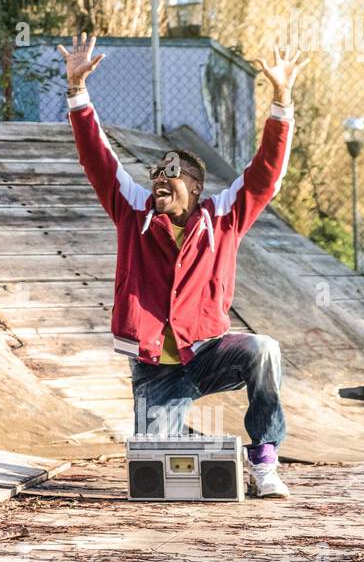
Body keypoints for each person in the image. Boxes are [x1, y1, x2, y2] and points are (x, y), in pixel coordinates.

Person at [59, 33, 309, 498]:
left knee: (264, 350)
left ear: (194, 187)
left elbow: (266, 172)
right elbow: (98, 159)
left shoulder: (223, 216)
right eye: (154, 174)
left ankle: (264, 458)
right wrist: (77, 92)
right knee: (157, 462)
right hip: (157, 366)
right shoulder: (133, 213)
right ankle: (218, 449)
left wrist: (281, 100)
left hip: (209, 352)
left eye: (170, 174)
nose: (158, 180)